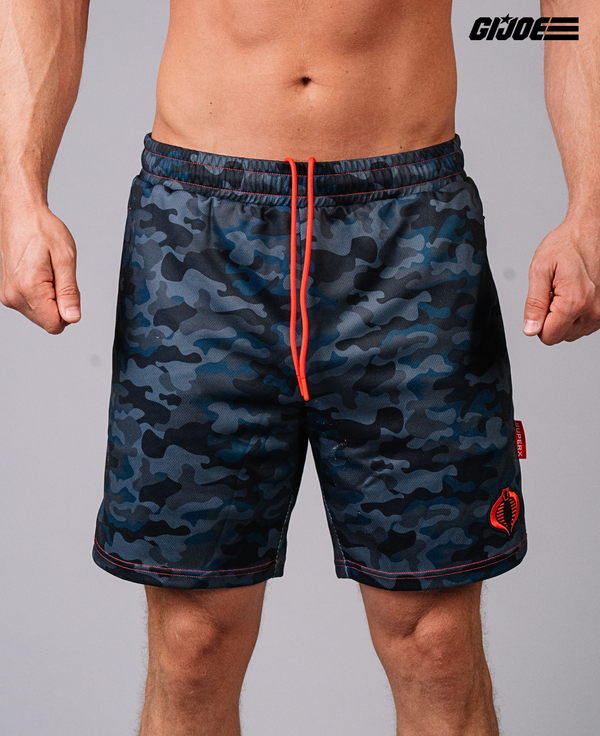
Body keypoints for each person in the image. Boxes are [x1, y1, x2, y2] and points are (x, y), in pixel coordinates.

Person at [0, 2, 598, 735]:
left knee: (436, 647)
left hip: (410, 232)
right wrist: (18, 190)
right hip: (199, 240)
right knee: (192, 647)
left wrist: (591, 207)